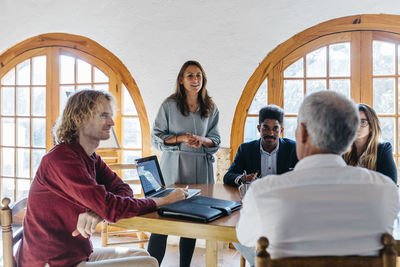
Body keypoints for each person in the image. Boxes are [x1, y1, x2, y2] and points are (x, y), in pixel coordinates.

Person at [16, 90, 188, 267]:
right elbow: (111, 207)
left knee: (143, 255)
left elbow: (123, 190)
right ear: (80, 118)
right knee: (149, 264)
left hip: (75, 254)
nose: (112, 122)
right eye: (104, 115)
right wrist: (163, 200)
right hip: (52, 262)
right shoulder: (62, 160)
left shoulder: (90, 157)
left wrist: (97, 212)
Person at [236, 91, 399, 265]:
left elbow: (245, 239)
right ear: (350, 136)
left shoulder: (263, 191)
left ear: (304, 132)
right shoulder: (385, 190)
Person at [148, 60, 220, 267]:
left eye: (199, 75)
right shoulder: (169, 105)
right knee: (161, 222)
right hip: (174, 167)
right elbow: (156, 138)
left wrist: (201, 140)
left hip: (201, 169)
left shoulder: (210, 107)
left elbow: (215, 139)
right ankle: (151, 264)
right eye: (190, 75)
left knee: (192, 222)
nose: (195, 79)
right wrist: (181, 138)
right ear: (181, 79)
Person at [223, 105, 298, 187]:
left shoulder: (293, 148)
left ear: (281, 130)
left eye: (275, 128)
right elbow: (228, 176)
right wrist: (243, 179)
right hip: (254, 197)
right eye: (266, 128)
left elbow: (304, 175)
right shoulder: (246, 149)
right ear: (259, 128)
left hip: (284, 197)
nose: (270, 133)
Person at [343, 103, 397, 183]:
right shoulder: (342, 150)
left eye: (362, 122)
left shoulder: (383, 149)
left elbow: (391, 184)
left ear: (371, 127)